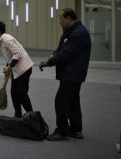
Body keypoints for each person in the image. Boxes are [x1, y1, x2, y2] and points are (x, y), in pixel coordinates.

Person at [39, 8, 91, 141]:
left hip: (73, 73)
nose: (59, 22)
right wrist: (55, 55)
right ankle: (75, 130)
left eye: (61, 19)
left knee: (61, 100)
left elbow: (67, 54)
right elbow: (61, 49)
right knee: (73, 101)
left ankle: (62, 131)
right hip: (70, 73)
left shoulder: (79, 33)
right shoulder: (69, 32)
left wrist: (49, 61)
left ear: (69, 18)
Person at [0, 20, 34, 118]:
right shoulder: (1, 40)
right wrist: (8, 66)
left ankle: (32, 116)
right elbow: (11, 56)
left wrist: (9, 66)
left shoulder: (6, 39)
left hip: (23, 69)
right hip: (17, 70)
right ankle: (18, 115)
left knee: (21, 94)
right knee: (14, 93)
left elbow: (17, 53)